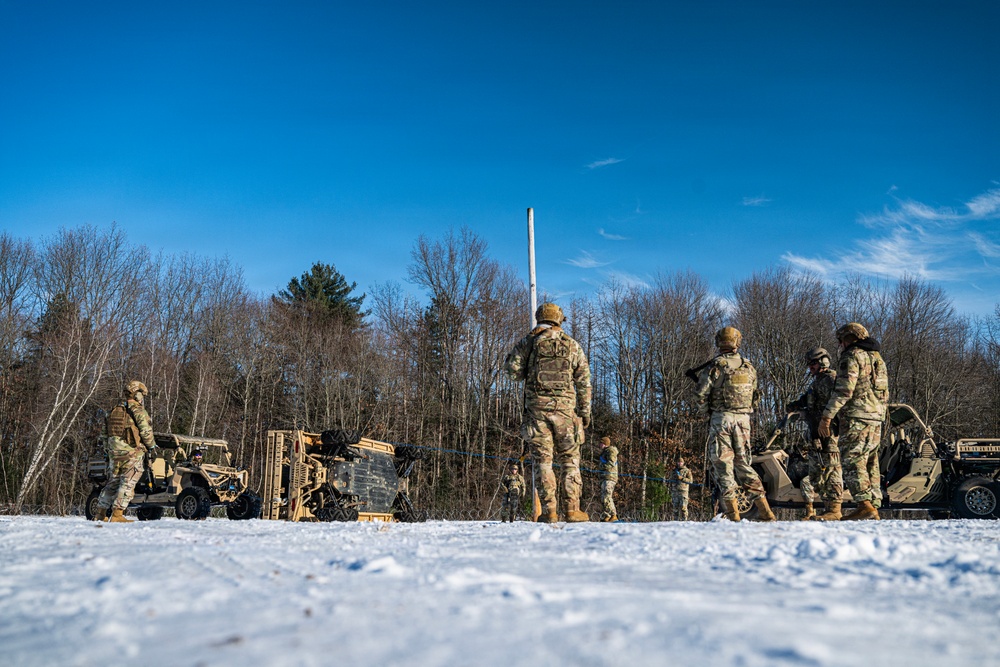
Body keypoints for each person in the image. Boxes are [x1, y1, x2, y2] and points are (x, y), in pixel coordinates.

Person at [503, 303, 592, 523]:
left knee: (543, 461)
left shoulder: (530, 342)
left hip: (537, 413)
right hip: (566, 413)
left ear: (539, 318)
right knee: (570, 460)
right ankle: (572, 510)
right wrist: (585, 412)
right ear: (559, 319)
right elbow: (584, 381)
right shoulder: (572, 345)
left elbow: (512, 371)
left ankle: (549, 511)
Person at [693, 327, 775, 522]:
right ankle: (766, 511)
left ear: (719, 342)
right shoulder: (749, 367)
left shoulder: (716, 366)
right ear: (737, 342)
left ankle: (733, 514)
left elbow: (700, 395)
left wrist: (708, 413)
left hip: (722, 419)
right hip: (744, 421)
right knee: (744, 464)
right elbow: (755, 396)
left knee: (723, 465)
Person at [819, 323, 888, 521]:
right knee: (871, 461)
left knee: (852, 459)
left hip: (857, 416)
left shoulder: (852, 355)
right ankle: (873, 506)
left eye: (841, 339)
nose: (840, 344)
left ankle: (864, 505)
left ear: (849, 338)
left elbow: (844, 390)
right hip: (876, 416)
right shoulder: (878, 358)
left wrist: (827, 417)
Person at [785, 347, 845, 521]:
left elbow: (838, 405)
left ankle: (834, 509)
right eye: (809, 363)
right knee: (817, 472)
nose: (810, 367)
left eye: (813, 363)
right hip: (815, 432)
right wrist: (795, 405)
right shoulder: (817, 381)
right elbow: (808, 400)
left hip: (828, 431)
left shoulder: (830, 379)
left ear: (823, 362)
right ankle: (819, 509)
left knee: (832, 469)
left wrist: (829, 426)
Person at [93, 380, 156, 523]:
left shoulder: (114, 410)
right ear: (136, 394)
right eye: (141, 394)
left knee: (112, 483)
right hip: (131, 454)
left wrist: (107, 451)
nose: (142, 398)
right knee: (127, 483)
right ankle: (117, 514)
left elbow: (104, 434)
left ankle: (100, 513)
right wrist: (151, 446)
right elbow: (146, 432)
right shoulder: (138, 410)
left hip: (114, 454)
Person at [597, 436, 619, 522]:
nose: (599, 445)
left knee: (607, 496)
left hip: (610, 476)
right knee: (603, 497)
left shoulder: (611, 451)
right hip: (605, 477)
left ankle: (613, 515)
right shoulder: (604, 452)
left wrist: (602, 466)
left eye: (600, 443)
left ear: (604, 443)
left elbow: (611, 463)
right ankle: (607, 515)